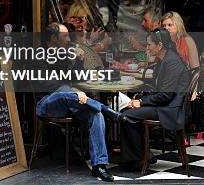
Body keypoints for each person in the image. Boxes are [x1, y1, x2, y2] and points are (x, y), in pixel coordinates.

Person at [35, 23, 123, 182]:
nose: (69, 39)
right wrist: (74, 91)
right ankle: (106, 109)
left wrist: (79, 61)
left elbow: (79, 80)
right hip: (47, 104)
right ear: (54, 38)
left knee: (95, 114)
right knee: (63, 90)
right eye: (65, 36)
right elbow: (49, 85)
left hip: (70, 104)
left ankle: (99, 166)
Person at [119, 28, 190, 170]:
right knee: (127, 111)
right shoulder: (164, 60)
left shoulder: (172, 62)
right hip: (165, 105)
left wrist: (141, 102)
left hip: (170, 109)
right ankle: (142, 154)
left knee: (126, 116)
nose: (147, 48)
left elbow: (165, 95)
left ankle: (137, 159)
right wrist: (140, 98)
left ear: (160, 45)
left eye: (149, 45)